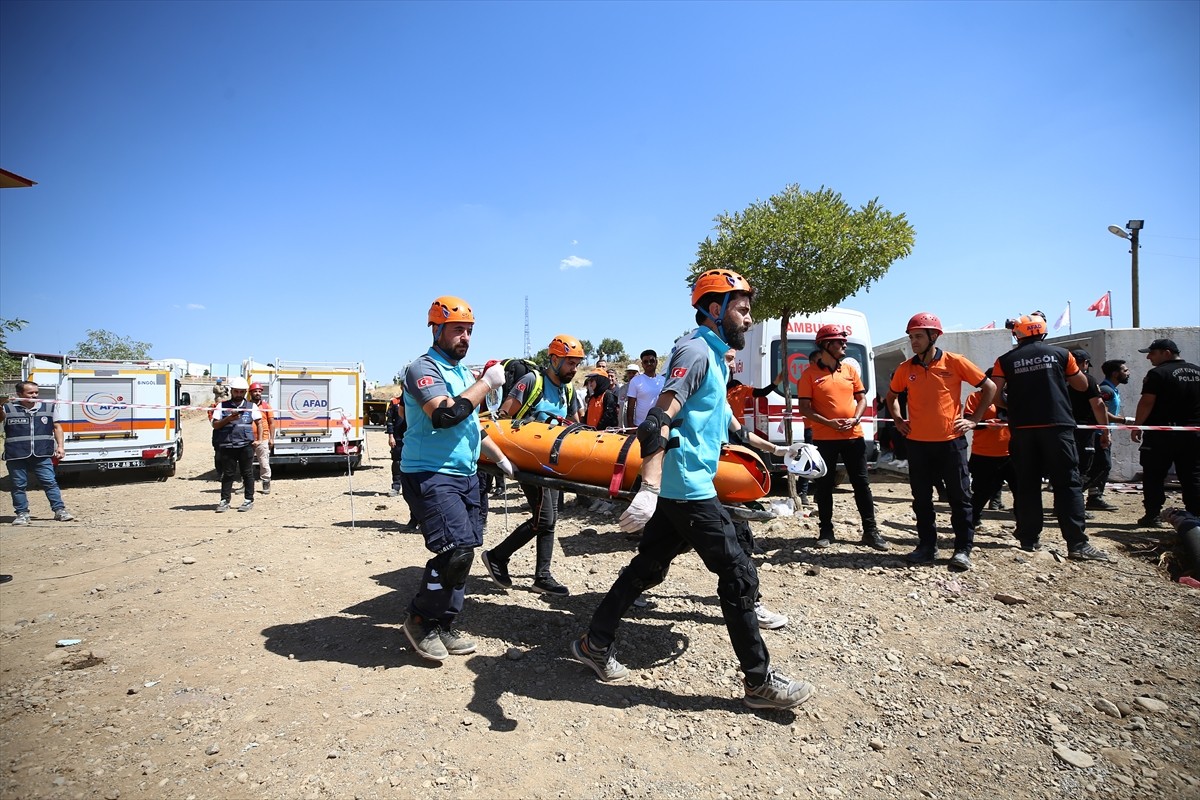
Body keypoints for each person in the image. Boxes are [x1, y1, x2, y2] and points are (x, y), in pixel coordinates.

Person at [569, 268, 815, 711]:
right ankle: (758, 681)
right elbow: (657, 421)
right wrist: (648, 487)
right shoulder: (695, 351)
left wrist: (781, 451)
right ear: (715, 309)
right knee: (737, 571)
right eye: (742, 309)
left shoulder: (717, 359)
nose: (748, 317)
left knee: (649, 567)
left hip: (691, 486)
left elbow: (730, 428)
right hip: (686, 489)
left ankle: (594, 643)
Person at [399, 295, 508, 662]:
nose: (465, 337)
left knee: (465, 551)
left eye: (469, 331)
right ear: (437, 329)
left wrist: (497, 454)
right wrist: (488, 384)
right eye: (458, 329)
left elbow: (469, 423)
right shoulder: (422, 368)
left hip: (466, 473)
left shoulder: (461, 374)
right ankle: (420, 618)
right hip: (430, 472)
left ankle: (444, 622)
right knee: (455, 550)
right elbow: (444, 416)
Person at [990, 315, 1110, 559]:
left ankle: (1028, 538)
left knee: (1027, 484)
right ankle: (1077, 544)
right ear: (1043, 332)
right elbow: (1080, 385)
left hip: (1022, 429)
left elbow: (994, 395)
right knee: (1068, 483)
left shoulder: (1005, 360)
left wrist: (1010, 406)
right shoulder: (1062, 355)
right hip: (1057, 427)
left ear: (1018, 334)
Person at [886, 312, 995, 571]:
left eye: (918, 336)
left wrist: (974, 420)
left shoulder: (955, 362)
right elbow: (891, 396)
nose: (913, 341)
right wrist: (899, 420)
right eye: (911, 337)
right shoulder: (905, 369)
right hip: (918, 444)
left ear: (934, 336)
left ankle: (962, 549)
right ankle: (926, 546)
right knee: (921, 498)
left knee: (960, 498)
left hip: (951, 442)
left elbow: (989, 387)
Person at [480, 334, 584, 596]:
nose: (574, 369)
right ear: (554, 359)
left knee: (550, 519)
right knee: (543, 518)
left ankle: (542, 576)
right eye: (570, 363)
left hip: (554, 461)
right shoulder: (532, 382)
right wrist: (503, 458)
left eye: (576, 364)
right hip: (529, 459)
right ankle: (497, 556)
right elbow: (504, 416)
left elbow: (573, 422)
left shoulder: (568, 389)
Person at [796, 325, 888, 550]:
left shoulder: (849, 370)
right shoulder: (809, 375)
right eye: (839, 342)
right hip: (824, 439)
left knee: (861, 484)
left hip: (853, 436)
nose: (844, 345)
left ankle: (870, 531)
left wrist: (856, 418)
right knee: (824, 486)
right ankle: (826, 530)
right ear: (826, 345)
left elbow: (862, 398)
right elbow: (805, 408)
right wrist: (828, 423)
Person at [1130, 338, 1200, 525]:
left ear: (1166, 353)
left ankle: (1152, 515)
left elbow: (1147, 402)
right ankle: (1195, 515)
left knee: (1153, 474)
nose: (1148, 358)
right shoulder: (1197, 371)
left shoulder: (1158, 374)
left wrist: (1138, 425)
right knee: (1192, 474)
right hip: (1193, 433)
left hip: (1161, 434)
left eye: (1152, 353)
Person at [3, 381, 75, 525]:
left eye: (36, 392)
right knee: (18, 485)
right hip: (16, 454)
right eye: (30, 393)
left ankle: (59, 511)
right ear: (19, 394)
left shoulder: (48, 407)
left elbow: (57, 427)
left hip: (42, 453)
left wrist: (61, 446)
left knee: (50, 482)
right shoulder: (7, 408)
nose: (35, 395)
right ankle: (22, 514)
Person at [965, 369, 1014, 527]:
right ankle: (971, 522)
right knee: (981, 492)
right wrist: (987, 426)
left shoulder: (1010, 399)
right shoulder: (975, 398)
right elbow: (968, 420)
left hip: (1010, 453)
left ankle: (1026, 531)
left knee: (1020, 492)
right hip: (984, 453)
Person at [1066, 350, 1112, 515]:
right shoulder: (1087, 380)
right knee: (1086, 467)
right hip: (1083, 432)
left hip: (1061, 430)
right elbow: (1098, 407)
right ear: (1084, 362)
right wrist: (1106, 432)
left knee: (1067, 469)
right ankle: (1072, 505)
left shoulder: (1056, 380)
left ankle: (1066, 503)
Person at [211, 376, 261, 513]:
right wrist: (228, 419)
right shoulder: (222, 406)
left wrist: (259, 440)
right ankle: (224, 501)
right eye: (236, 391)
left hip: (246, 446)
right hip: (228, 445)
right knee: (228, 474)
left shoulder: (252, 406)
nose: (238, 394)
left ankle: (248, 500)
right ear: (231, 391)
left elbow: (259, 423)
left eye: (241, 392)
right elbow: (215, 425)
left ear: (245, 392)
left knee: (247, 473)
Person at [1088, 359, 1132, 511]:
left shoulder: (1112, 389)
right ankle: (1073, 496)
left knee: (1100, 467)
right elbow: (1102, 411)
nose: (1128, 373)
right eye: (1125, 371)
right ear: (1115, 373)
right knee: (1102, 466)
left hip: (1104, 433)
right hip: (1099, 434)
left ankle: (1094, 497)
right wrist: (1124, 420)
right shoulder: (1106, 390)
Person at [624, 349, 665, 428]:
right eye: (645, 362)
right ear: (642, 364)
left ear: (656, 362)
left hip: (659, 424)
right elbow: (631, 406)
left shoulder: (663, 380)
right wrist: (630, 426)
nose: (649, 363)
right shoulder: (635, 381)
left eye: (652, 361)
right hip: (640, 425)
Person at [248, 382, 274, 496]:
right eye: (255, 391)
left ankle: (266, 483)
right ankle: (246, 484)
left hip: (262, 439)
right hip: (248, 439)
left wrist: (271, 438)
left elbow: (272, 423)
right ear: (250, 393)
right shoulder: (247, 406)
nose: (258, 393)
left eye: (259, 391)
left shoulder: (266, 407)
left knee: (263, 462)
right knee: (246, 463)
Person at [617, 362, 639, 427]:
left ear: (638, 374)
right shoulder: (622, 389)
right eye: (629, 373)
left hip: (636, 422)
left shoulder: (642, 388)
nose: (631, 375)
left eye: (634, 373)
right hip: (623, 423)